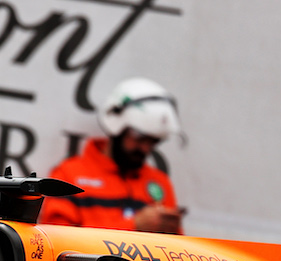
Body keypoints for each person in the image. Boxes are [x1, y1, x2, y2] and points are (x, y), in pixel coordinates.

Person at [39, 77, 184, 234]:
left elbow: (175, 251)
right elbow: (56, 242)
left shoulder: (160, 182)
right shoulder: (68, 175)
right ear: (116, 126)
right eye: (139, 138)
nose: (145, 148)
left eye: (153, 141)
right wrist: (134, 227)